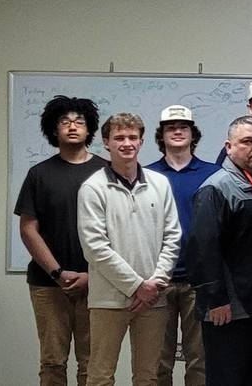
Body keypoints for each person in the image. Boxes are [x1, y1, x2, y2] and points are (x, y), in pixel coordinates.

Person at [78, 113, 181, 386]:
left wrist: (154, 283)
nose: (127, 143)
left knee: (148, 377)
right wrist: (136, 286)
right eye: (119, 138)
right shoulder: (93, 188)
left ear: (142, 141)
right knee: (100, 375)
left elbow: (173, 237)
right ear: (106, 143)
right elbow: (95, 247)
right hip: (108, 300)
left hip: (153, 299)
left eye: (132, 137)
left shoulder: (160, 184)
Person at [15, 96, 105, 386]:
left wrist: (92, 275)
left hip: (98, 284)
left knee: (93, 364)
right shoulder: (39, 174)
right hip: (47, 284)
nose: (72, 127)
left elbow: (119, 230)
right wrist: (57, 272)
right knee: (52, 362)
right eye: (64, 122)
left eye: (79, 121)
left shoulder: (107, 172)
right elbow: (29, 229)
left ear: (89, 129)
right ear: (54, 130)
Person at [188, 116, 252, 386]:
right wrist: (216, 300)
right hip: (228, 308)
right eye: (247, 142)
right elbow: (204, 248)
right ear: (228, 147)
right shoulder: (216, 187)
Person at [147, 105, 218, 386]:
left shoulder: (213, 174)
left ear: (193, 134)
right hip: (157, 281)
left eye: (183, 127)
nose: (177, 131)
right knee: (157, 361)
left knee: (199, 360)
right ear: (161, 136)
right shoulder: (146, 175)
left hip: (198, 282)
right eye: (170, 128)